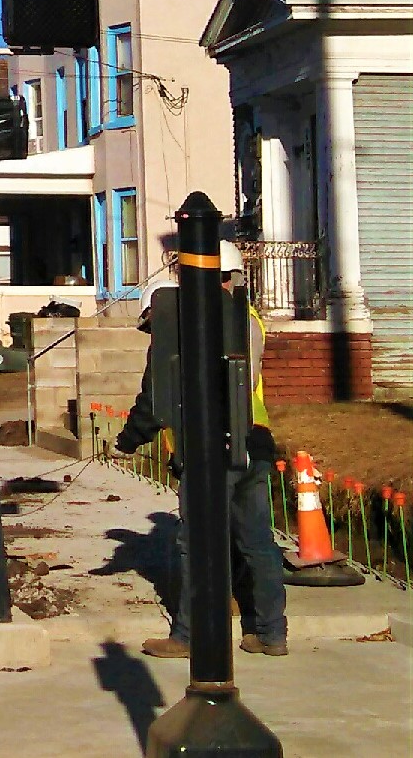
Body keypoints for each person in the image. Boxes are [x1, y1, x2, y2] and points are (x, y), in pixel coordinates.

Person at [116, 244, 288, 660]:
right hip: (254, 444)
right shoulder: (248, 318)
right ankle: (270, 632)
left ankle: (190, 635)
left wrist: (129, 440)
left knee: (196, 543)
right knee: (257, 541)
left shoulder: (188, 325)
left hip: (210, 448)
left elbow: (158, 395)